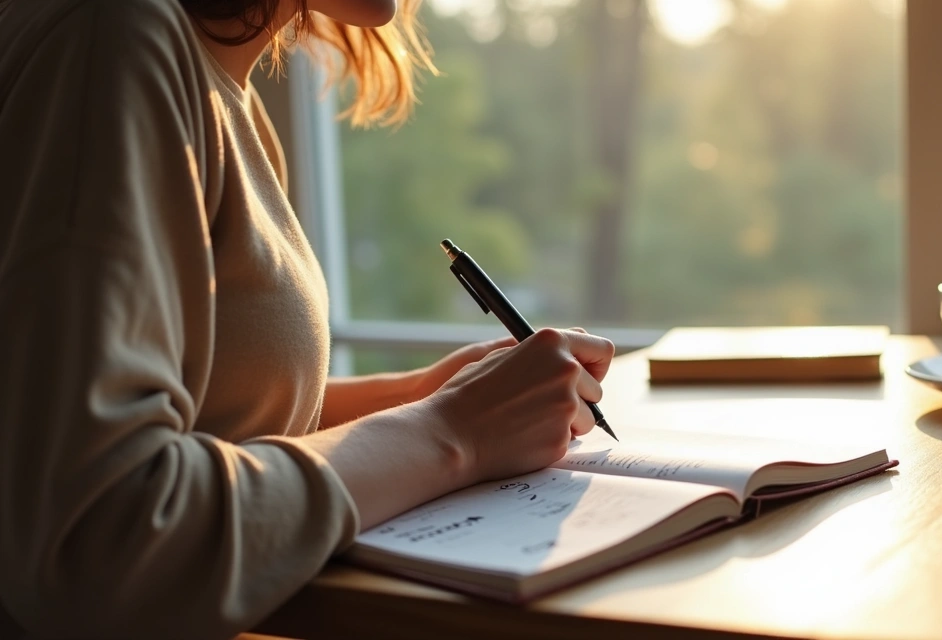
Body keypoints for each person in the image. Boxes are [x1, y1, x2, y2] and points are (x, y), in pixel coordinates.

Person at [0, 0, 615, 637]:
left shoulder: (222, 91)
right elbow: (97, 548)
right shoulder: (111, 43)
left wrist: (422, 395)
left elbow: (219, 416)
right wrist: (455, 432)